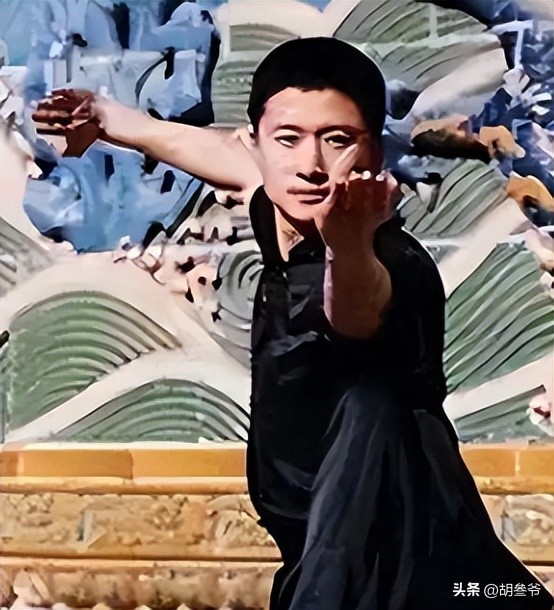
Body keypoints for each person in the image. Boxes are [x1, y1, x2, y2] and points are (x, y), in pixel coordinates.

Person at [40, 37, 553, 610]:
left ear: (375, 152)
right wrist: (107, 117)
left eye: (338, 141)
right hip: (339, 554)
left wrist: (348, 247)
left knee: (373, 411)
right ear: (255, 143)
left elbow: (354, 316)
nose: (310, 166)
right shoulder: (283, 208)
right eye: (288, 139)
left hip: (407, 574)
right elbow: (214, 153)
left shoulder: (393, 262)